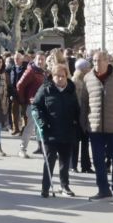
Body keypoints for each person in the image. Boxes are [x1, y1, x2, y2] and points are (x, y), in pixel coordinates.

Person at [75, 50, 113, 200]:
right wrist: (83, 124)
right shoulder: (88, 78)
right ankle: (103, 189)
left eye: (100, 60)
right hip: (95, 128)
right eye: (94, 61)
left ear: (107, 61)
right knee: (98, 160)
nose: (96, 63)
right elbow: (84, 104)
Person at [31, 60, 82, 198]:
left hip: (67, 131)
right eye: (56, 76)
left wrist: (78, 125)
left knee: (65, 162)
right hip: (49, 131)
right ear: (52, 77)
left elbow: (77, 110)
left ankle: (64, 185)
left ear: (67, 76)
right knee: (49, 160)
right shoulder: (45, 89)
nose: (59, 78)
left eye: (62, 76)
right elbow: (35, 106)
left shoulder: (71, 90)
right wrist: (40, 121)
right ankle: (45, 187)